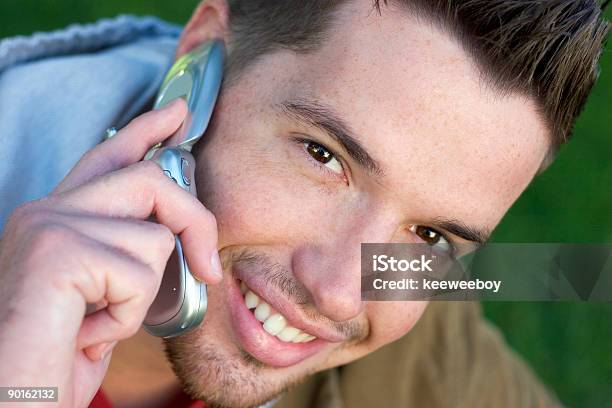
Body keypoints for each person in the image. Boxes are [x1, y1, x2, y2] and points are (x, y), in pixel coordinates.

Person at [0, 0, 608, 407]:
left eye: (429, 236)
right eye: (324, 157)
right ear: (201, 60)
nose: (341, 292)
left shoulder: (415, 332)